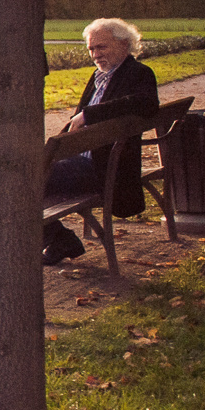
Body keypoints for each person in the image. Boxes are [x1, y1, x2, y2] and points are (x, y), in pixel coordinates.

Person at [43, 17, 159, 264]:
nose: (95, 55)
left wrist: (88, 114)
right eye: (91, 49)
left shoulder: (139, 73)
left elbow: (147, 104)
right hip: (84, 161)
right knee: (26, 175)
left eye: (101, 47)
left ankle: (59, 239)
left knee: (22, 181)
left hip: (104, 169)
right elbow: (77, 122)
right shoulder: (100, 75)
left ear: (124, 45)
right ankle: (56, 237)